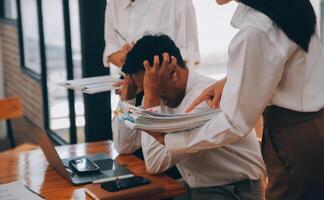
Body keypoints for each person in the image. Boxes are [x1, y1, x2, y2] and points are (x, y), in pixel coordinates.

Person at [146, 1, 324, 199]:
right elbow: (289, 61)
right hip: (314, 128)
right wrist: (232, 79)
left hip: (292, 142)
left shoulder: (255, 30)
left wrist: (171, 139)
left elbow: (234, 123)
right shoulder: (287, 7)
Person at [113, 34, 266, 199]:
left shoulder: (204, 99)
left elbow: (154, 163)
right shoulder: (160, 94)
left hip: (234, 191)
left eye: (149, 86)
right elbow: (123, 146)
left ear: (173, 73)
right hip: (197, 187)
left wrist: (151, 96)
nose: (144, 94)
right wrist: (125, 100)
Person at [103, 0, 200, 68]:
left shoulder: (179, 2)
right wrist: (127, 56)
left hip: (170, 92)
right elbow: (111, 51)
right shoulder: (113, 5)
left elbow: (189, 59)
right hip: (130, 91)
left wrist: (137, 57)